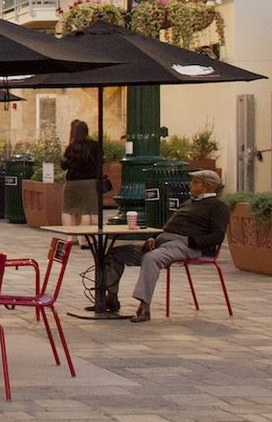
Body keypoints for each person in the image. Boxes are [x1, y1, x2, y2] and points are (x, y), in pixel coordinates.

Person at [100, 169, 230, 322]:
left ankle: (144, 308)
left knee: (151, 258)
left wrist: (192, 241)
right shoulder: (189, 202)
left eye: (195, 182)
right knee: (115, 253)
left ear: (208, 186)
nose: (190, 185)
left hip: (185, 245)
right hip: (162, 241)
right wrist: (153, 237)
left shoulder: (217, 206)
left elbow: (217, 236)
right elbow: (169, 226)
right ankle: (111, 298)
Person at [60, 120, 103, 228]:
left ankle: (69, 235)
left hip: (72, 182)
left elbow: (64, 165)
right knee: (86, 211)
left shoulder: (71, 147)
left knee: (67, 209)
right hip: (90, 182)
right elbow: (101, 162)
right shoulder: (94, 145)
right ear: (87, 131)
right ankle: (83, 235)